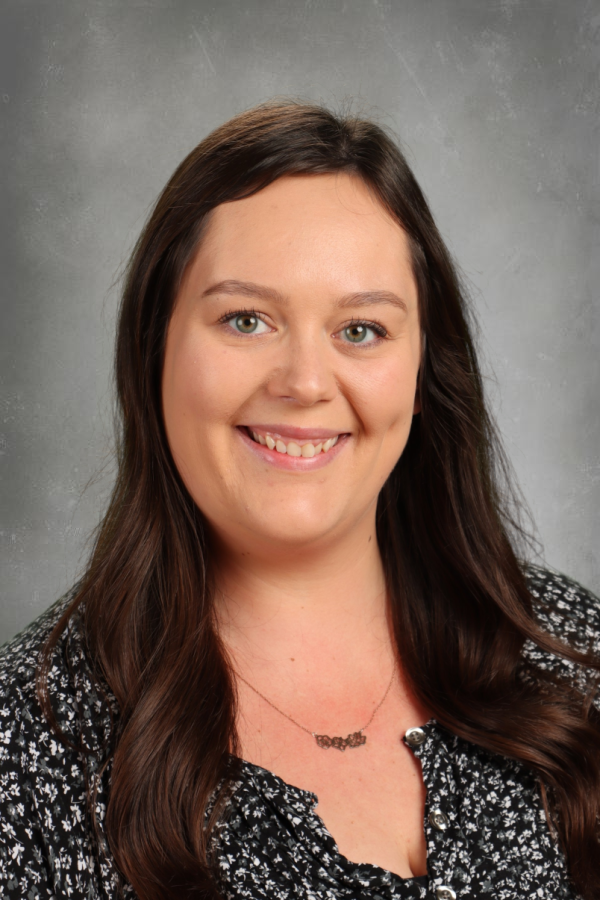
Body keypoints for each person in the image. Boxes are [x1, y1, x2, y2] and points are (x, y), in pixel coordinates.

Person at [0, 101, 599, 900]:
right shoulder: (27, 745)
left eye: (361, 330)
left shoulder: (574, 656)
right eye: (246, 320)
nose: (306, 384)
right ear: (155, 351)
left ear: (425, 373)